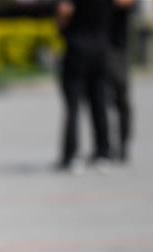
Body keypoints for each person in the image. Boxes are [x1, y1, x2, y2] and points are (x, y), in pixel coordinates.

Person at [56, 0, 112, 171]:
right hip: (100, 50)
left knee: (73, 107)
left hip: (77, 51)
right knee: (99, 105)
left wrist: (62, 22)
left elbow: (63, 13)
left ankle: (71, 155)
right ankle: (103, 153)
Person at [107, 0, 136, 163]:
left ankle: (123, 145)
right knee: (98, 102)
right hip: (97, 46)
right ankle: (102, 147)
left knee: (121, 98)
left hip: (117, 49)